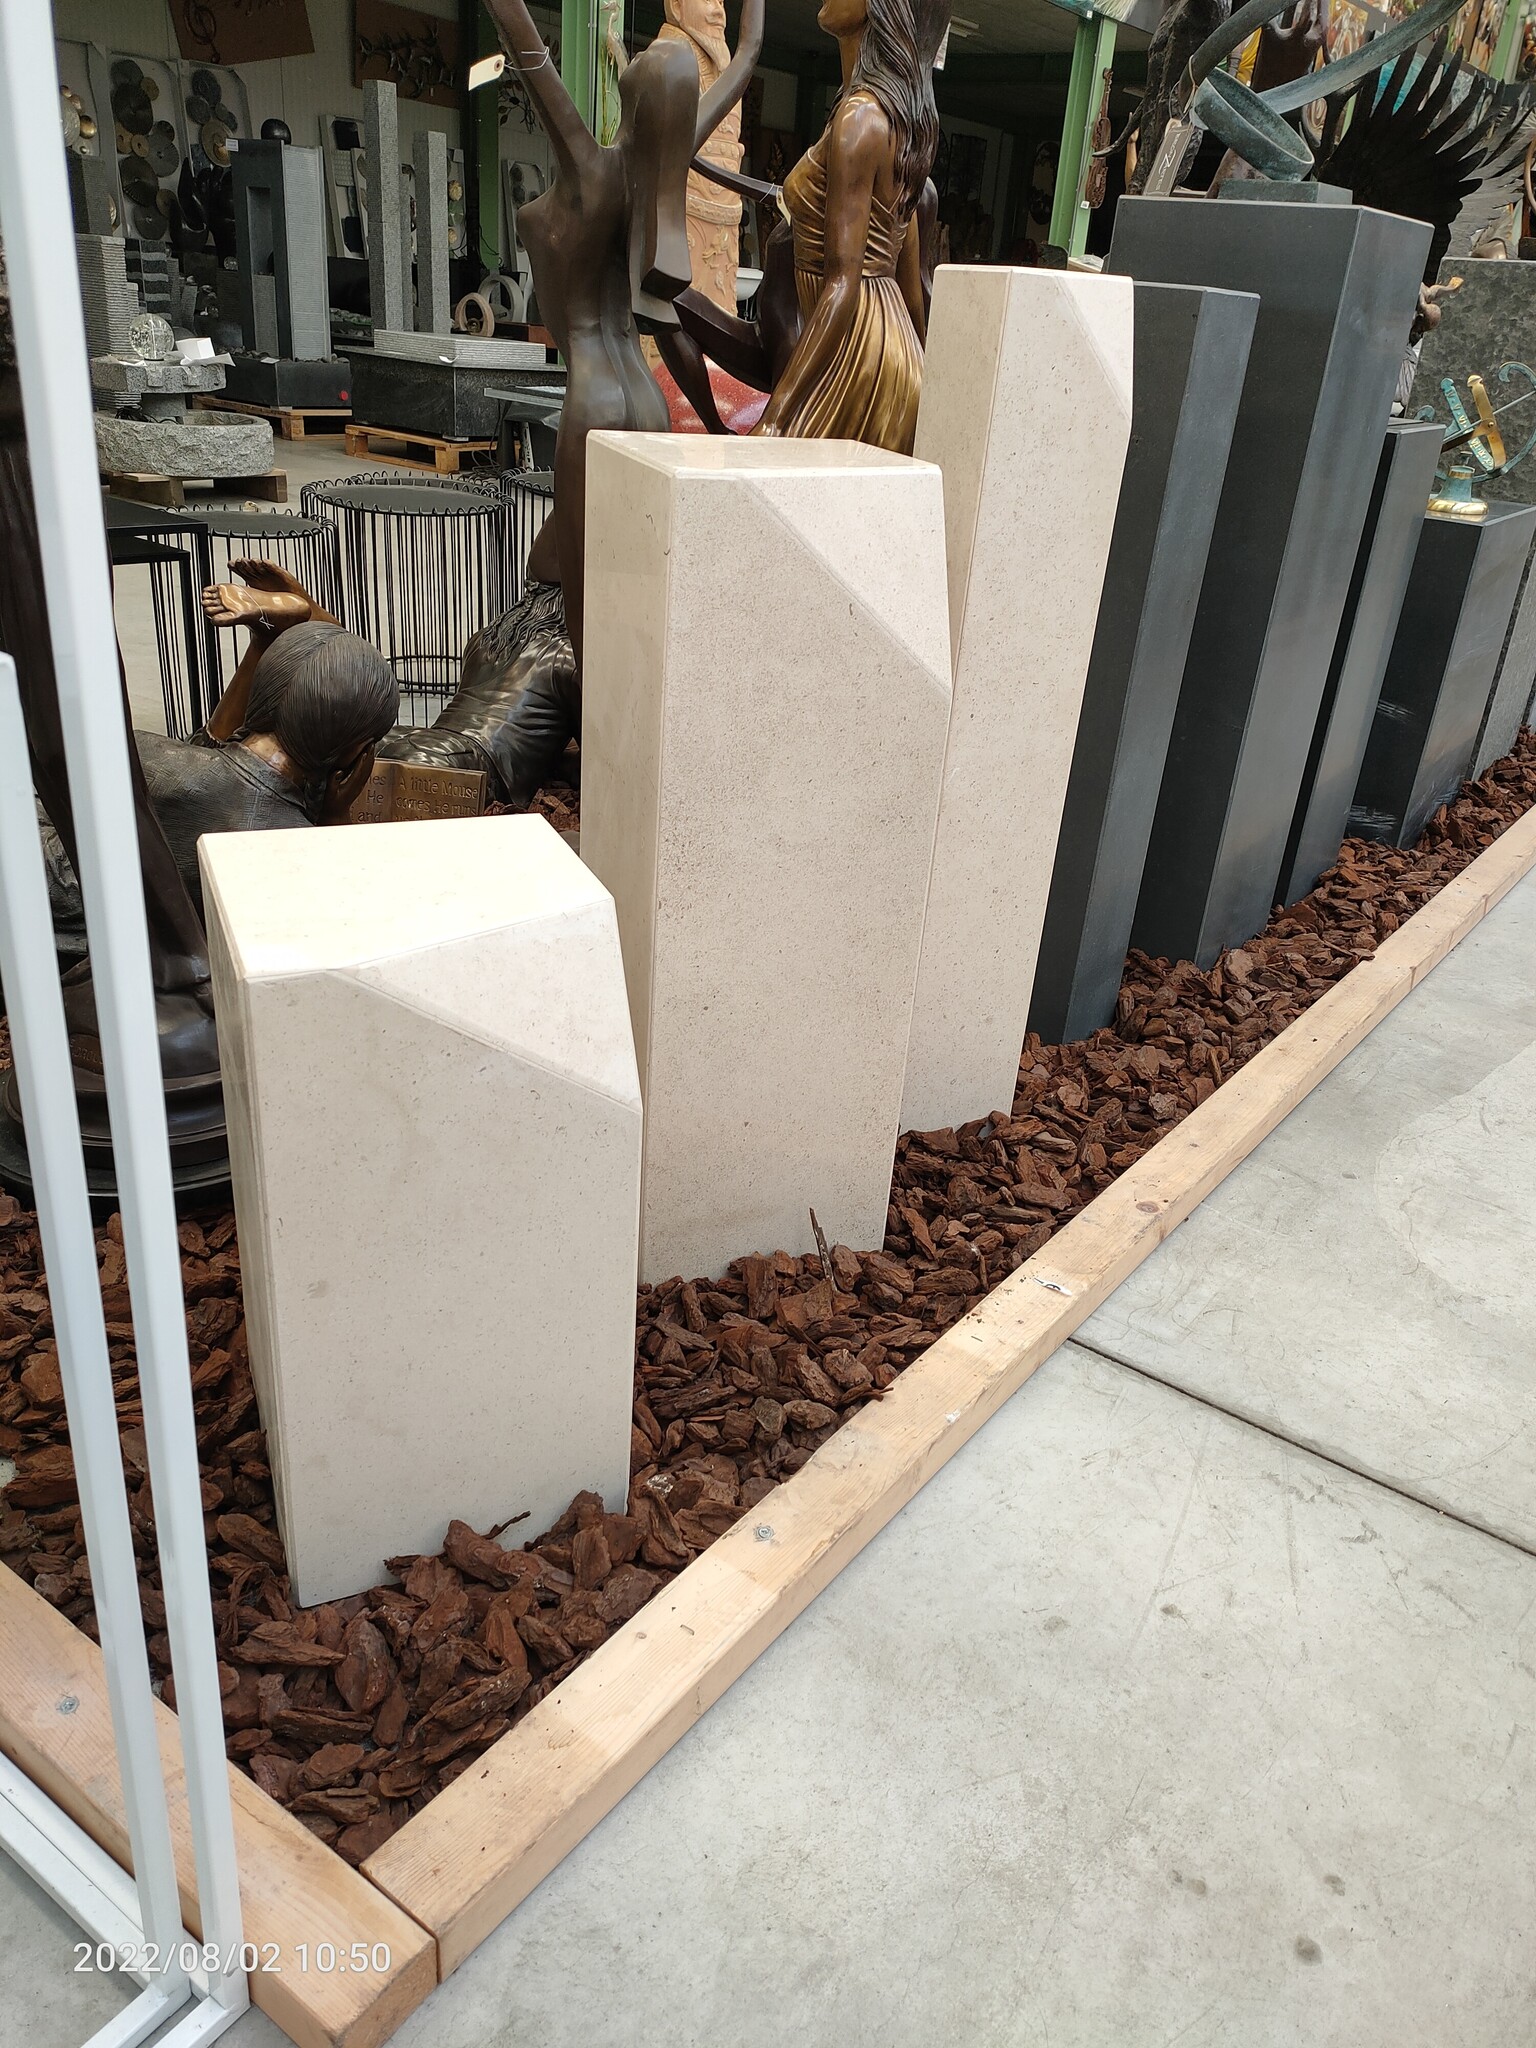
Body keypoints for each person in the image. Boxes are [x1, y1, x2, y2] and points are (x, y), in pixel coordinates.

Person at [482, 0, 764, 672]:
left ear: (631, 101)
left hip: (594, 403)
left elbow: (522, 40)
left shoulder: (586, 164)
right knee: (634, 585)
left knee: (588, 609)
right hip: (647, 403)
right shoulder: (661, 168)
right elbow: (747, 56)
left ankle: (594, 712)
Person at [752, 0, 938, 453]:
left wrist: (776, 416)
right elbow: (908, 285)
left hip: (861, 361)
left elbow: (842, 283)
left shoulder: (861, 120)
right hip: (885, 356)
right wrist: (927, 374)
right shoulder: (892, 120)